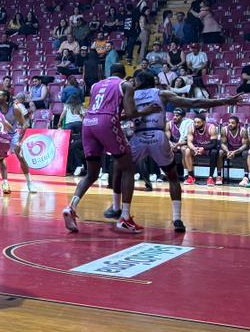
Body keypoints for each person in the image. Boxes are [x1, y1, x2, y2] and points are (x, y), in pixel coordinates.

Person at [130, 70, 233, 232]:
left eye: (135, 80)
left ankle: (122, 213)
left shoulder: (130, 94)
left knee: (122, 172)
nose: (134, 82)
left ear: (140, 81)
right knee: (172, 177)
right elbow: (194, 103)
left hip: (138, 136)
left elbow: (120, 113)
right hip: (157, 135)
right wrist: (225, 100)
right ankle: (177, 218)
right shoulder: (161, 93)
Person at [63, 69, 140, 234]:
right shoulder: (125, 85)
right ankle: (125, 218)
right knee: (128, 167)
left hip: (88, 122)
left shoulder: (95, 86)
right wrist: (147, 111)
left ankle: (71, 207)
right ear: (122, 74)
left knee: (91, 174)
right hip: (106, 121)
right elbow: (131, 112)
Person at [181, 112, 220, 185]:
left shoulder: (211, 128)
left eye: (198, 122)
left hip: (208, 148)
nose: (196, 124)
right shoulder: (191, 127)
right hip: (196, 148)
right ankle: (191, 176)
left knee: (214, 152)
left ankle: (210, 178)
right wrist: (194, 148)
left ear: (204, 122)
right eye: (195, 122)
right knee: (187, 151)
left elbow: (214, 144)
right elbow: (189, 142)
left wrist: (203, 148)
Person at [218, 114, 248, 185]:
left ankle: (246, 177)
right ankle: (219, 176)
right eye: (229, 123)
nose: (230, 124)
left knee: (246, 153)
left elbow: (245, 145)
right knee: (220, 152)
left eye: (232, 123)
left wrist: (235, 152)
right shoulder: (224, 130)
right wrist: (228, 151)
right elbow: (223, 144)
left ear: (238, 124)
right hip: (229, 150)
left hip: (240, 151)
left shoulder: (243, 131)